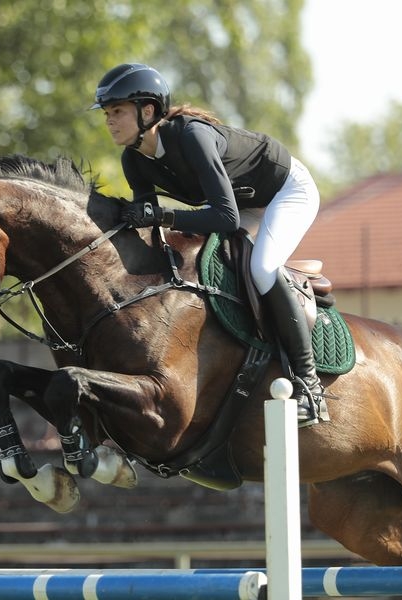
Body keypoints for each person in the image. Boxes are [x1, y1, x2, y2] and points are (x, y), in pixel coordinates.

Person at [91, 63, 327, 427]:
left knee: (262, 268)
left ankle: (310, 387)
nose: (110, 121)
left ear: (148, 111)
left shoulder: (191, 137)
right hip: (239, 202)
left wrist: (162, 217)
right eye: (107, 113)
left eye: (117, 111)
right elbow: (150, 222)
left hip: (285, 191)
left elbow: (226, 218)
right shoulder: (133, 159)